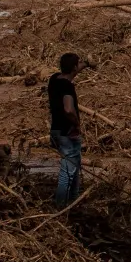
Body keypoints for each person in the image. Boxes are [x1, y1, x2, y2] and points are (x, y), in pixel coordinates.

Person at [47, 52, 83, 208]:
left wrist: (86, 64)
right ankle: (61, 207)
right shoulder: (68, 87)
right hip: (67, 133)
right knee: (67, 173)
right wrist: (77, 124)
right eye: (78, 64)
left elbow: (70, 72)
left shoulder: (54, 79)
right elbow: (68, 109)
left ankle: (73, 202)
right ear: (74, 67)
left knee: (74, 168)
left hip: (55, 130)